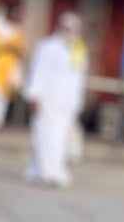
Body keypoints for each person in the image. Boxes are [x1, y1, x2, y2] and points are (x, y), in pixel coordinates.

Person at [23, 12, 88, 188]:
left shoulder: (78, 49)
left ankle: (40, 169)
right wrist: (33, 95)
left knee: (60, 138)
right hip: (48, 99)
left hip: (67, 103)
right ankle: (48, 173)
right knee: (45, 135)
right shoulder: (48, 47)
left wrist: (78, 102)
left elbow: (79, 78)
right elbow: (38, 72)